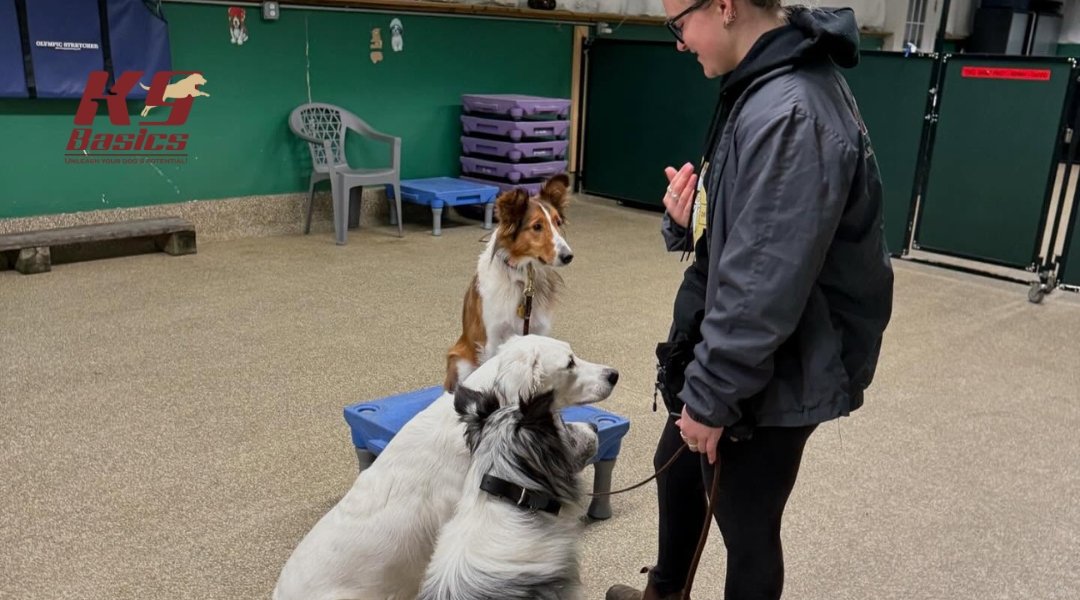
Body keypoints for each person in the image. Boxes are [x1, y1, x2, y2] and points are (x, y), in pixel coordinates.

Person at [605, 1, 894, 599]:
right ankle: (666, 592)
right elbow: (758, 230)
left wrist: (712, 397)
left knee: (745, 521)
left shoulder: (792, 112)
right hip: (749, 347)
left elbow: (764, 282)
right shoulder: (764, 81)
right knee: (678, 470)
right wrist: (690, 221)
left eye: (679, 24)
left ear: (725, 7)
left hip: (784, 358)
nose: (679, 41)